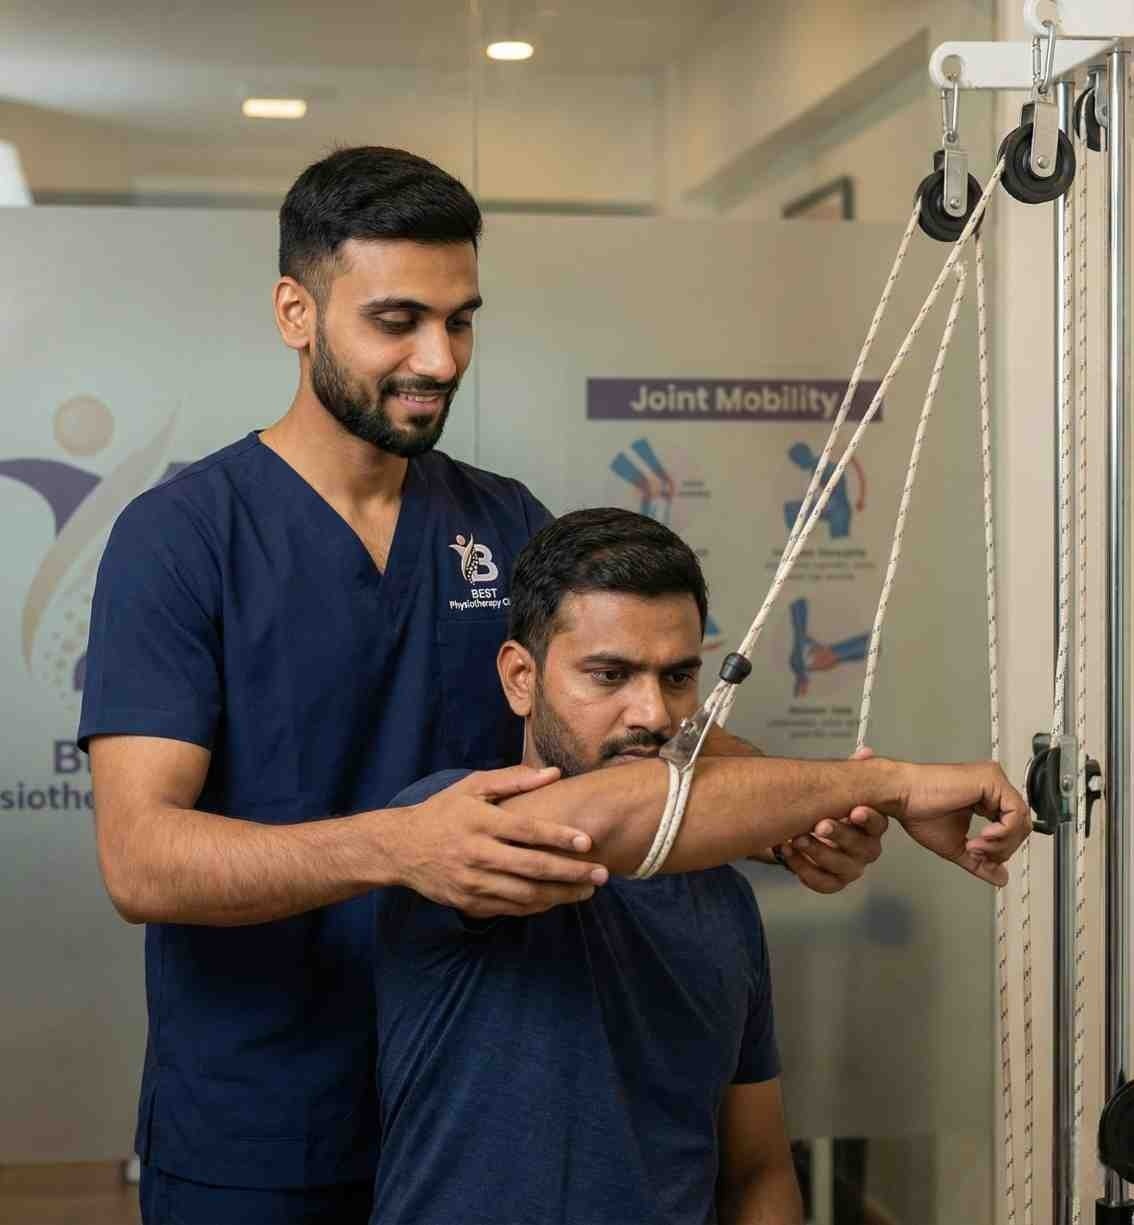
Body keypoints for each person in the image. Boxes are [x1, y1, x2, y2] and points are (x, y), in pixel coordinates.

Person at [77, 147, 885, 1225]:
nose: (439, 357)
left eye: (461, 321)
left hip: (480, 1109)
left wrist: (805, 810)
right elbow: (142, 857)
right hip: (263, 1120)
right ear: (295, 311)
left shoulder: (504, 523)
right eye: (398, 321)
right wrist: (396, 847)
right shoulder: (182, 539)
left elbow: (626, 725)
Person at [368, 508, 1029, 1225]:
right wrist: (889, 784)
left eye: (679, 676)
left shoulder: (723, 903)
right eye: (610, 674)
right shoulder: (447, 827)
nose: (652, 712)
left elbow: (757, 1171)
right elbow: (617, 814)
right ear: (521, 679)